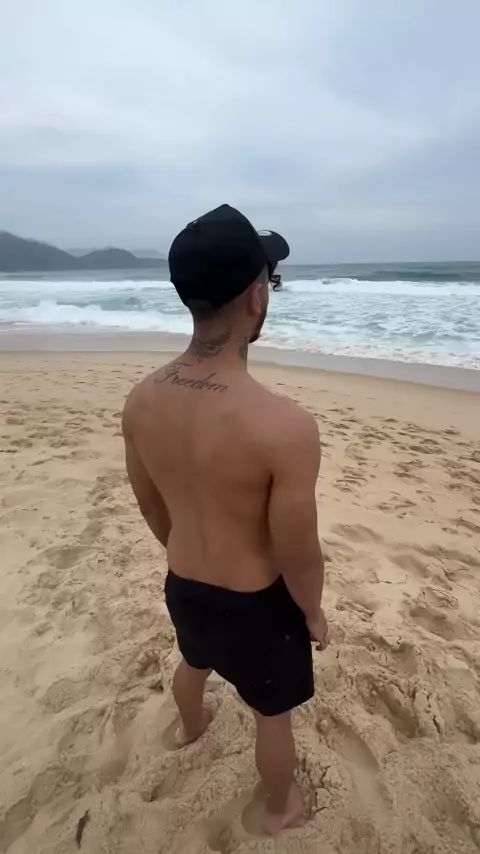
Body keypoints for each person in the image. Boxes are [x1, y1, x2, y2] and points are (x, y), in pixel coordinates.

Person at [122, 204, 328, 835]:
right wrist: (312, 612)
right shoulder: (284, 426)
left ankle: (191, 728)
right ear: (258, 296)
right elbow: (297, 548)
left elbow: (150, 504)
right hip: (257, 607)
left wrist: (182, 547)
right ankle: (279, 808)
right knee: (272, 715)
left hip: (184, 584)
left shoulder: (141, 398)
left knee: (194, 663)